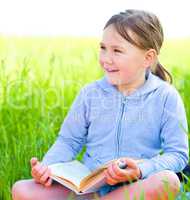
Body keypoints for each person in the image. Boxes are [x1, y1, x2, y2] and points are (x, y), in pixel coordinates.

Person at [12, 9, 189, 200]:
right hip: (90, 188)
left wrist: (140, 169)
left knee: (169, 181)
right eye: (103, 48)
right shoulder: (90, 94)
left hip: (134, 187)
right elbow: (68, 141)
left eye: (117, 51)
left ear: (148, 58)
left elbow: (177, 154)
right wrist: (47, 168)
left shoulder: (165, 97)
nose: (106, 58)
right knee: (21, 189)